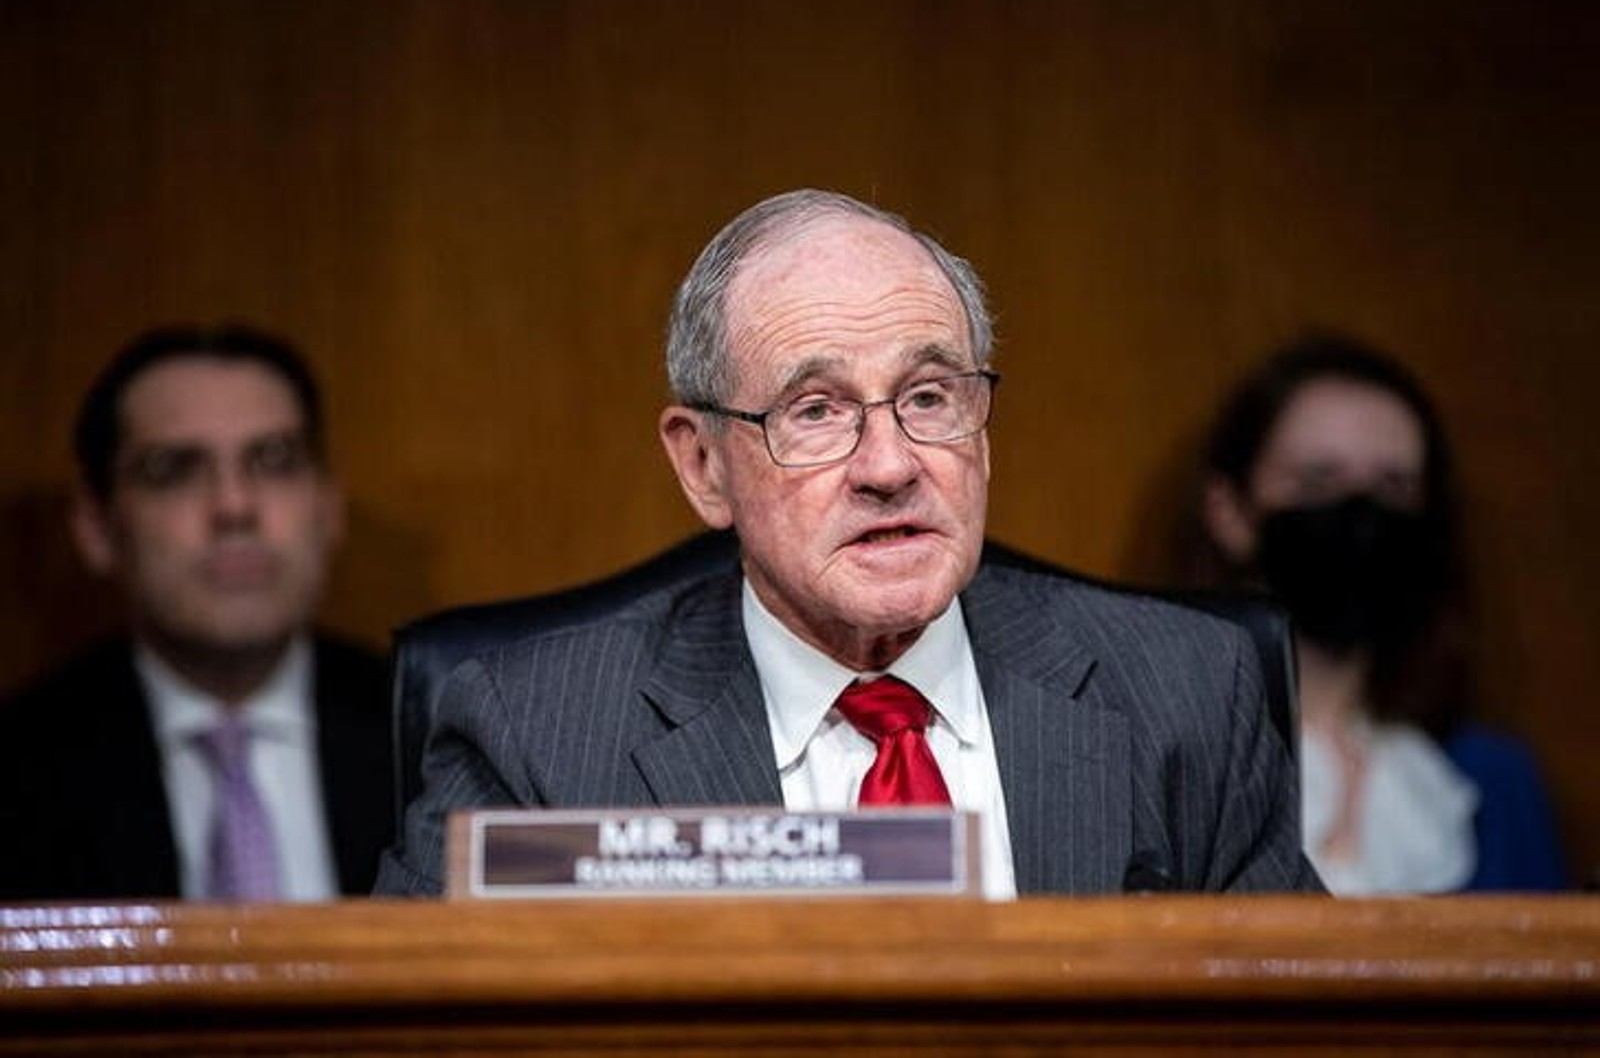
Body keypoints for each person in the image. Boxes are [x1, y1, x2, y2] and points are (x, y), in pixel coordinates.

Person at [376, 189, 1321, 898]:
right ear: (703, 465)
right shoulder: (537, 741)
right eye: (816, 410)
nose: (890, 465)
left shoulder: (1187, 693)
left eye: (928, 398)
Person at [0, 325, 393, 902]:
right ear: (97, 527)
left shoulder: (435, 741)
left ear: (329, 507)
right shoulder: (19, 769)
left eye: (274, 460)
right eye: (174, 470)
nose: (234, 506)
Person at [1192, 334, 1566, 893]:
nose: (1360, 515)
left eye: (1394, 486)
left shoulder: (1490, 784)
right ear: (1229, 512)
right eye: (1319, 480)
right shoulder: (1174, 770)